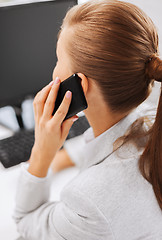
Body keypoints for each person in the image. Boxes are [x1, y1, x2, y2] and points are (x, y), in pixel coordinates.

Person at [13, 0, 162, 239]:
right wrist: (60, 158)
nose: (53, 70)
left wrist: (42, 151)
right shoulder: (152, 120)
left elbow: (25, 223)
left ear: (79, 85)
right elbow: (111, 146)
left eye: (58, 59)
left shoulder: (90, 201)